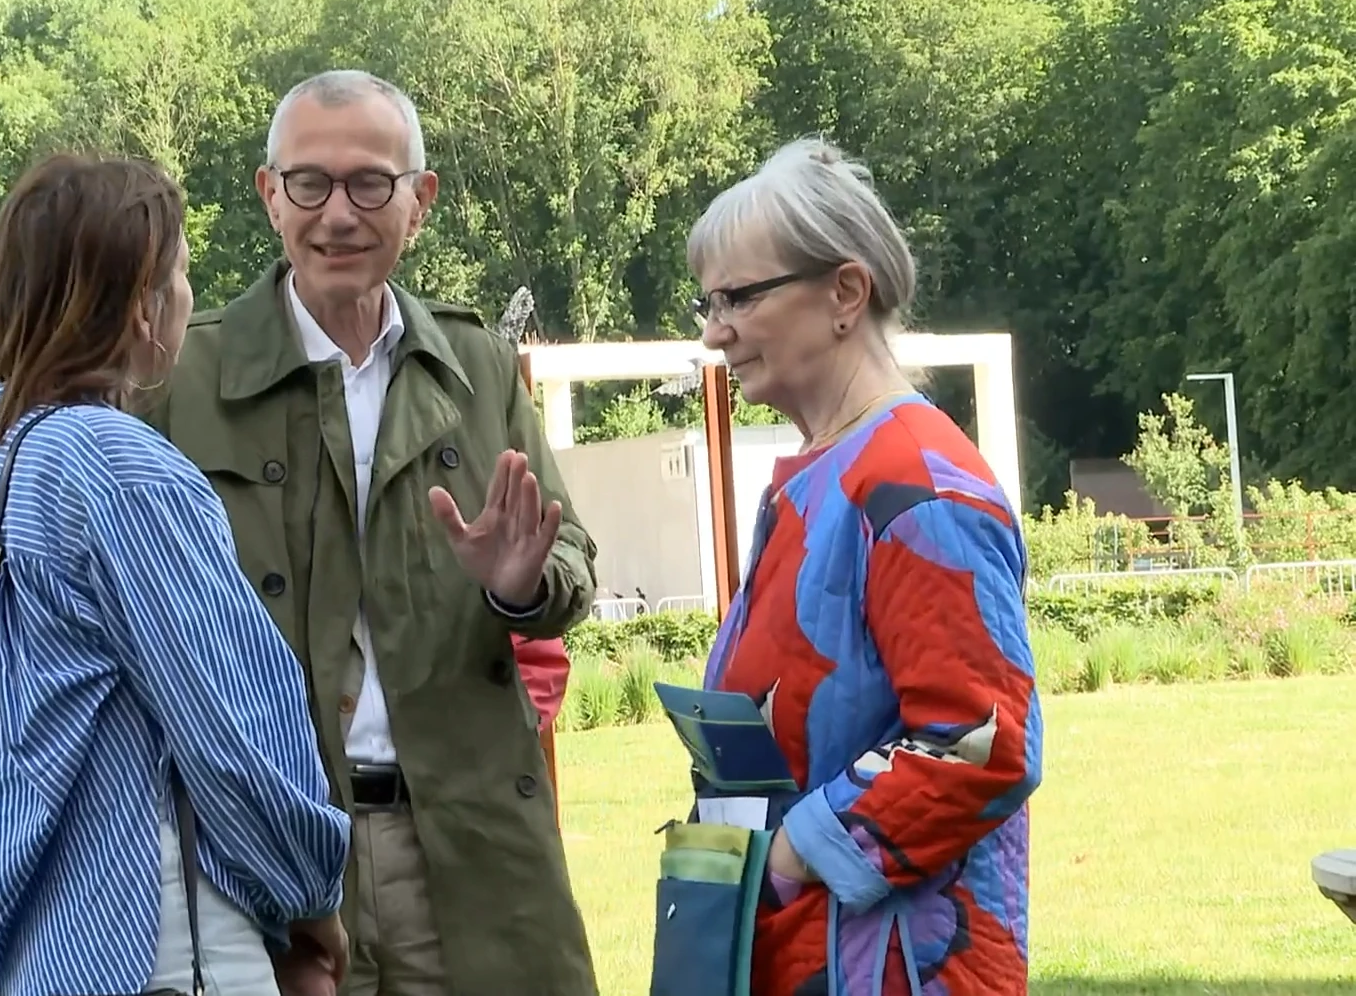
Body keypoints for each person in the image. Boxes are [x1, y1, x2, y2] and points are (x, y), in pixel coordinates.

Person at [143, 68, 600, 996]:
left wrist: (517, 584)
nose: (337, 214)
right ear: (271, 197)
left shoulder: (475, 365)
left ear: (420, 201)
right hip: (268, 855)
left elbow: (570, 562)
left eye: (370, 184)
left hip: (462, 851)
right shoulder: (180, 380)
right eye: (308, 182)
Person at [0, 152, 350, 996]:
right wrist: (310, 894)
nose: (190, 297)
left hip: (39, 940)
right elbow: (229, 726)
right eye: (183, 272)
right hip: (156, 933)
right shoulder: (121, 468)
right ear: (142, 305)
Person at [686, 138, 1043, 994]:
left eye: (738, 296)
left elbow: (980, 741)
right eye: (707, 301)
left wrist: (797, 852)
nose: (713, 330)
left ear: (846, 293)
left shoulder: (914, 485)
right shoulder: (832, 471)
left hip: (895, 967)